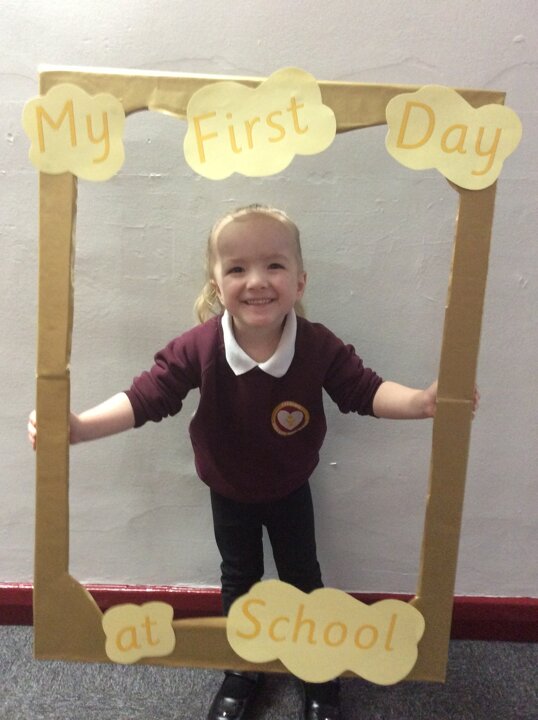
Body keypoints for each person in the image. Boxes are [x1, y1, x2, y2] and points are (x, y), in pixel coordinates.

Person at [28, 204, 478, 720]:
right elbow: (148, 396)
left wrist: (423, 402)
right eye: (238, 268)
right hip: (228, 490)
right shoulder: (199, 346)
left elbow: (365, 390)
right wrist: (79, 427)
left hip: (290, 487)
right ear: (217, 286)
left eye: (275, 265)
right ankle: (242, 666)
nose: (257, 280)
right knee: (239, 578)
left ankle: (317, 669)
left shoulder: (317, 345)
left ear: (300, 281)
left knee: (302, 576)